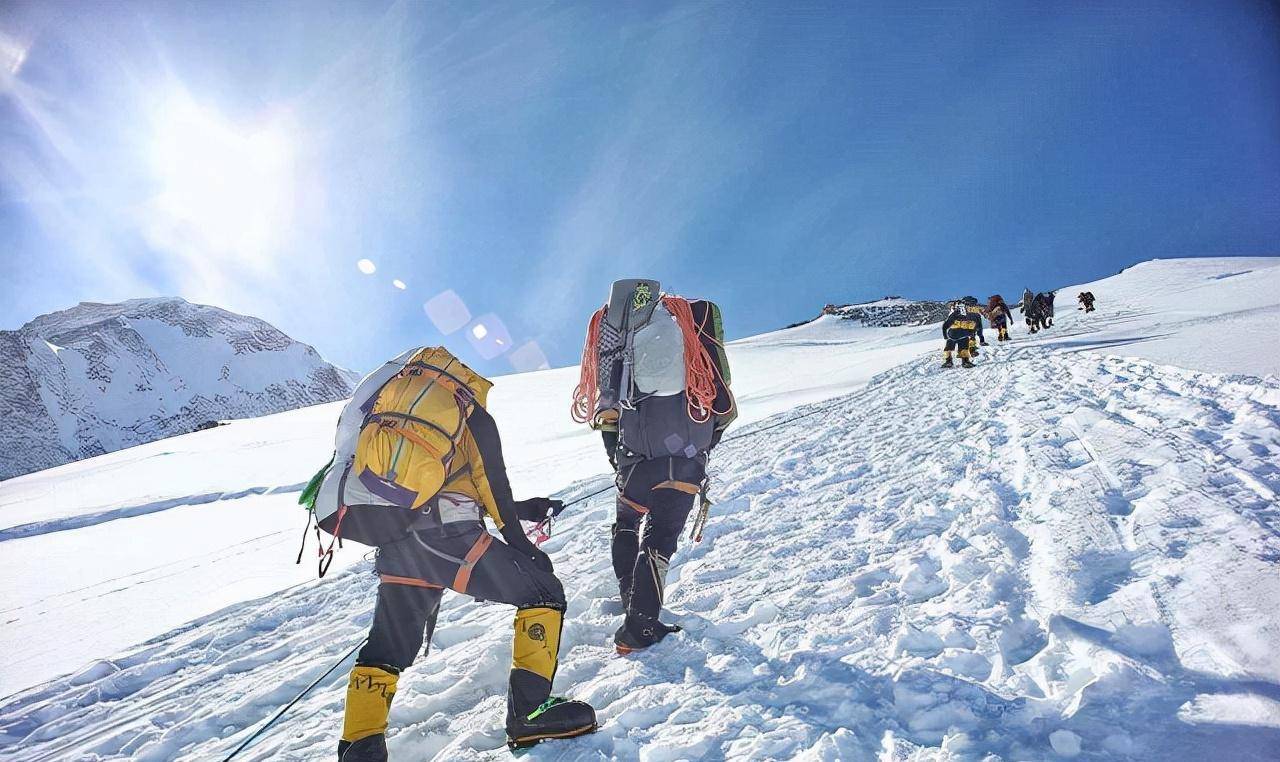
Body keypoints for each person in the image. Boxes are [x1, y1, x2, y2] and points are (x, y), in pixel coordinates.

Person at [307, 347, 596, 760]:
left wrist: (526, 509)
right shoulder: (468, 410)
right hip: (446, 540)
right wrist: (524, 546)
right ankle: (530, 714)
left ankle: (359, 745)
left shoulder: (395, 411)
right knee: (544, 592)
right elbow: (491, 481)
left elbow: (465, 488)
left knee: (387, 648)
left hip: (400, 546)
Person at [571, 279, 736, 655]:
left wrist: (618, 457)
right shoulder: (694, 324)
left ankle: (633, 601)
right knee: (660, 537)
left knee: (627, 523)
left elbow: (607, 413)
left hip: (635, 454)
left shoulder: (620, 339)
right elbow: (723, 399)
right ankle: (640, 626)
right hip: (688, 450)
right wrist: (705, 444)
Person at [941, 302, 980, 368]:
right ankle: (953, 361)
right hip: (956, 334)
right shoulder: (954, 315)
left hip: (957, 335)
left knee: (959, 347)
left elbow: (945, 326)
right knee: (952, 348)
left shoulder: (963, 315)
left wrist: (972, 332)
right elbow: (945, 326)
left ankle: (961, 361)